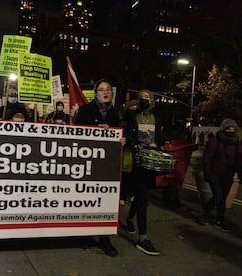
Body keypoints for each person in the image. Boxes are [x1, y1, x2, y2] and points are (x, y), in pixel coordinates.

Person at [74, 79, 120, 257]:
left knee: (106, 201)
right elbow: (76, 134)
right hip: (87, 164)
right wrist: (96, 130)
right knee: (86, 200)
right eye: (101, 90)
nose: (105, 92)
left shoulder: (115, 113)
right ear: (95, 93)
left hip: (106, 166)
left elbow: (118, 133)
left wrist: (118, 139)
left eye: (108, 89)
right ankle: (84, 236)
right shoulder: (85, 111)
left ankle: (105, 239)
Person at [120, 89, 162, 256]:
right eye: (142, 97)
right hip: (136, 162)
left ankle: (130, 219)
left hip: (150, 162)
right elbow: (125, 131)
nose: (145, 99)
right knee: (143, 198)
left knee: (142, 196)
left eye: (148, 97)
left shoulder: (156, 118)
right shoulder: (131, 116)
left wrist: (162, 142)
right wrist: (133, 141)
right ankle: (143, 239)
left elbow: (159, 136)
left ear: (152, 100)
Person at [202, 118, 242, 232]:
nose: (231, 130)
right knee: (218, 196)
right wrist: (207, 173)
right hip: (215, 174)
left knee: (222, 199)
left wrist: (241, 174)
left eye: (233, 128)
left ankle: (219, 221)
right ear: (224, 128)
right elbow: (208, 157)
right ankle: (206, 211)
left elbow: (240, 159)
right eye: (229, 128)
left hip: (228, 174)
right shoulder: (215, 140)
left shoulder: (237, 142)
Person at [160, 113, 196, 208]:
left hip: (182, 157)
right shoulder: (168, 129)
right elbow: (164, 139)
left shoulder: (186, 131)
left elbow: (189, 142)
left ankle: (168, 195)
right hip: (171, 155)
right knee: (171, 177)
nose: (180, 122)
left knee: (176, 178)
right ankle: (174, 198)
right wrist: (167, 143)